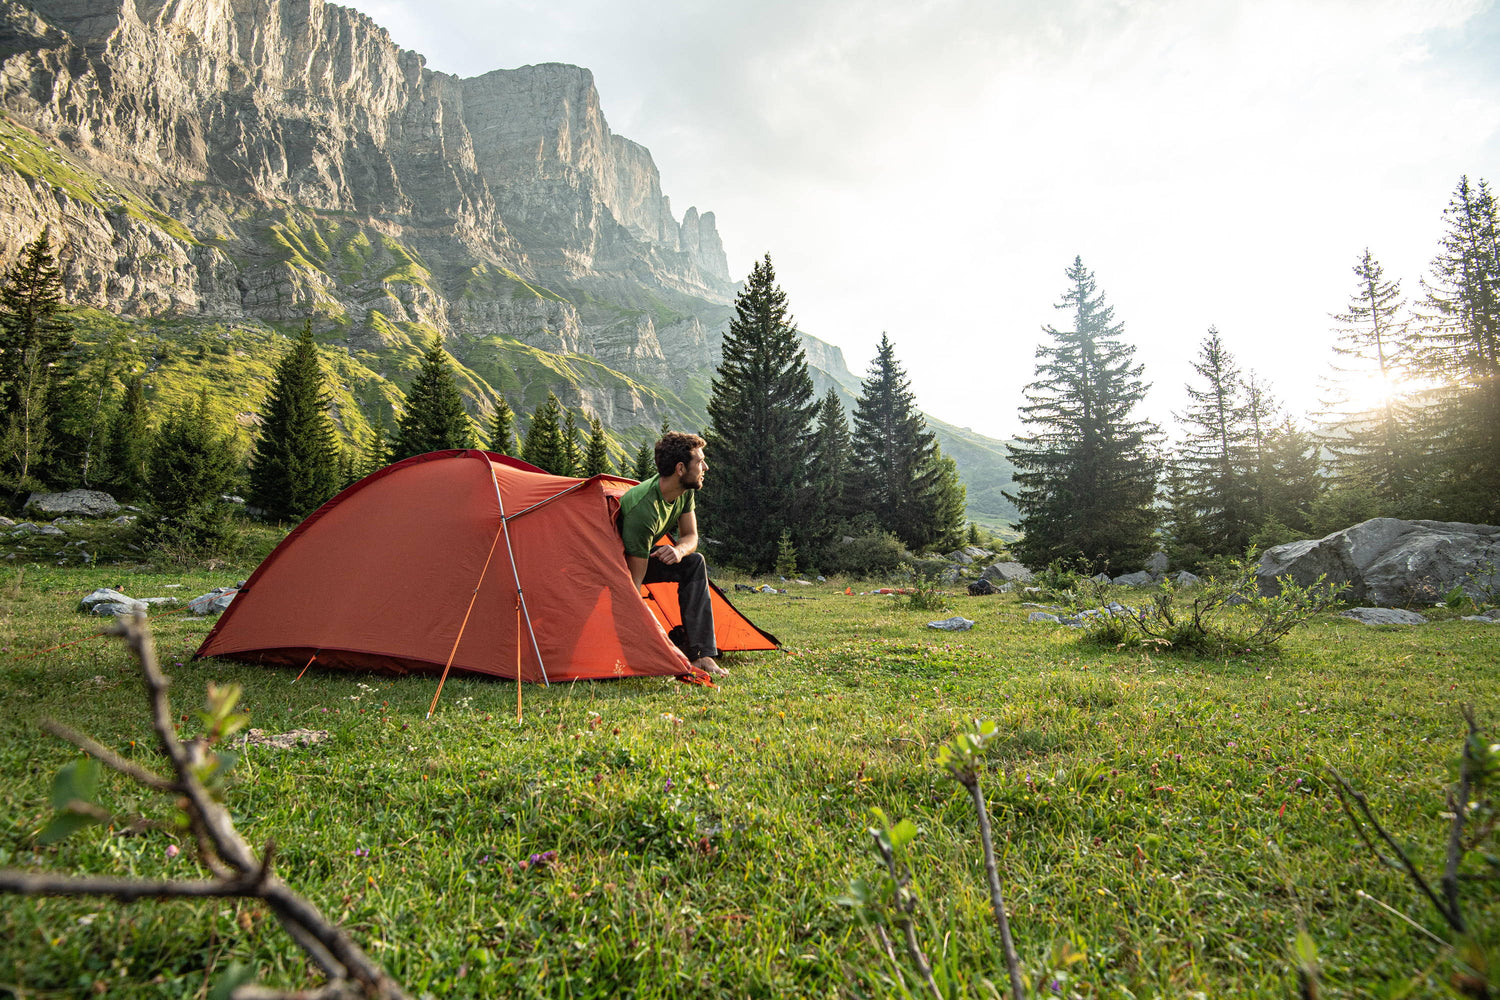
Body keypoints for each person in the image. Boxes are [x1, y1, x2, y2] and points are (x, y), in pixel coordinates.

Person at [618, 432, 724, 677]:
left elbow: (691, 537)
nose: (705, 467)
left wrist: (678, 551)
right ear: (680, 468)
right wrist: (658, 643)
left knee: (693, 562)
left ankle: (702, 655)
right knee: (636, 589)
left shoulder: (684, 491)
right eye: (700, 462)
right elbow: (632, 585)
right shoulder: (644, 510)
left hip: (640, 553)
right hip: (616, 565)